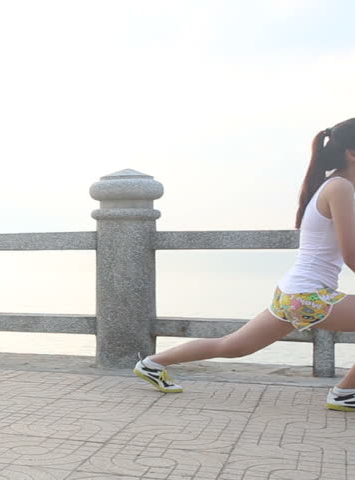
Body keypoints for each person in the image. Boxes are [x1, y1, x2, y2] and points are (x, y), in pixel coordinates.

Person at [134, 118, 355, 412]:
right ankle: (344, 393)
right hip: (308, 296)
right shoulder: (339, 187)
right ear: (351, 153)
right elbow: (351, 254)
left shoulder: (339, 185)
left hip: (293, 292)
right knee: (232, 345)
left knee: (233, 346)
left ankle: (151, 363)